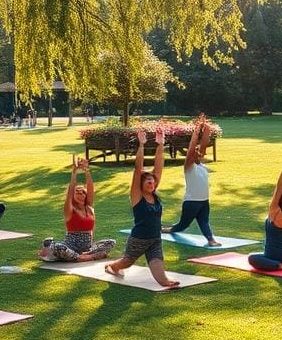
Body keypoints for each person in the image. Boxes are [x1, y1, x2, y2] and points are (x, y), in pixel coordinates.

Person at [104, 128, 180, 287]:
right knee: (127, 262)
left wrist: (160, 145)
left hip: (155, 238)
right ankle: (112, 266)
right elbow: (138, 169)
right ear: (141, 184)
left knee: (161, 275)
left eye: (153, 181)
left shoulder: (153, 194)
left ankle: (165, 280)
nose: (152, 183)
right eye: (148, 182)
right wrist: (141, 145)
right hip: (139, 239)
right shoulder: (137, 196)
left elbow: (159, 167)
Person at [39, 156, 116, 262]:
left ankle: (82, 256)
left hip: (87, 248)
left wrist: (86, 170)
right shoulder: (70, 210)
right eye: (77, 192)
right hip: (71, 246)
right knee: (59, 247)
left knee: (111, 242)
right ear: (73, 196)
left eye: (83, 193)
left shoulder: (89, 208)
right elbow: (69, 193)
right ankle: (87, 257)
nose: (81, 194)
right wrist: (74, 172)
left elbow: (90, 189)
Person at [164, 119, 221, 246]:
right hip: (191, 202)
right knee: (183, 225)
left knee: (204, 221)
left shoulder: (201, 166)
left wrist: (207, 130)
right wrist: (195, 134)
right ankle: (167, 229)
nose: (198, 153)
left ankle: (211, 240)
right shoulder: (189, 168)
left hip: (204, 201)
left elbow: (203, 148)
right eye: (196, 153)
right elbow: (191, 151)